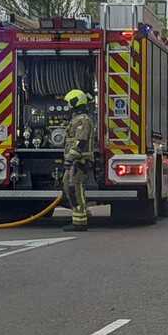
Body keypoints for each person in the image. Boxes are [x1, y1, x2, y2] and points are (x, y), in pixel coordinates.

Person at [62, 89, 95, 232]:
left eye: (68, 102)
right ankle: (82, 213)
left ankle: (80, 222)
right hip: (75, 161)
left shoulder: (84, 120)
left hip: (80, 161)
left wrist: (70, 158)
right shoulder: (77, 119)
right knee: (68, 186)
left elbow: (80, 142)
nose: (67, 105)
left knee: (76, 188)